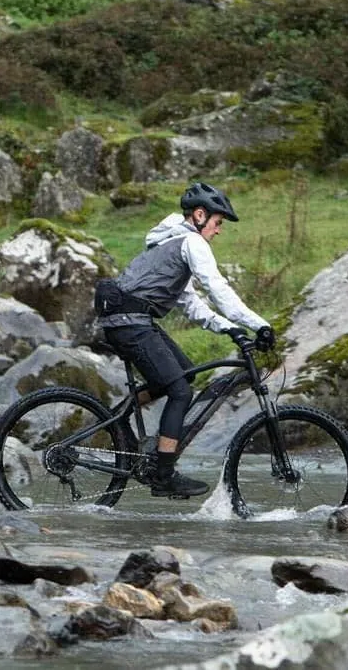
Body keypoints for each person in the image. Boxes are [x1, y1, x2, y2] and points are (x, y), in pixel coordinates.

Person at [95, 182, 276, 498]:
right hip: (129, 321)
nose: (219, 231)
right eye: (218, 223)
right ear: (201, 215)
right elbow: (217, 289)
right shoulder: (191, 242)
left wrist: (229, 328)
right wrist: (260, 325)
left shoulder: (177, 243)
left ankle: (117, 418)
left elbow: (191, 303)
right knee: (180, 389)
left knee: (185, 374)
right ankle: (163, 474)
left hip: (129, 319)